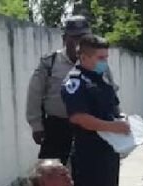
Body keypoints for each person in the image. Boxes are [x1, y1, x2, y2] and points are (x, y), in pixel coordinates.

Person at [61, 34, 130, 186]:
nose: (104, 62)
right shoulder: (75, 82)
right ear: (84, 57)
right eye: (101, 58)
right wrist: (113, 127)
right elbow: (78, 117)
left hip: (108, 148)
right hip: (89, 152)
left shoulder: (100, 79)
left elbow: (111, 108)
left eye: (106, 57)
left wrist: (122, 120)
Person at [25, 16, 117, 164]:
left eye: (84, 37)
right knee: (53, 174)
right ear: (64, 38)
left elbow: (111, 93)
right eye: (75, 37)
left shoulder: (99, 64)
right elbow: (34, 94)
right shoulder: (50, 62)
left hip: (91, 129)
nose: (79, 41)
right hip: (57, 128)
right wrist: (36, 126)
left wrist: (116, 118)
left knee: (88, 176)